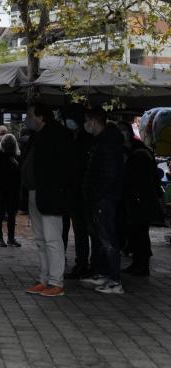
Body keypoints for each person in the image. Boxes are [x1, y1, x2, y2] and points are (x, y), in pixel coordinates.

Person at [20, 104, 69, 298]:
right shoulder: (38, 135)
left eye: (30, 115)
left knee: (52, 239)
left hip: (50, 193)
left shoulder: (56, 135)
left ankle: (56, 281)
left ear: (41, 117)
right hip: (37, 191)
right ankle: (45, 278)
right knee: (41, 239)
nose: (27, 119)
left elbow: (64, 166)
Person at [80, 107, 126, 295]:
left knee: (107, 239)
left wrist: (97, 195)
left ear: (94, 121)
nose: (85, 125)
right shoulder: (103, 141)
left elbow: (108, 174)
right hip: (102, 198)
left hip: (104, 199)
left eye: (87, 121)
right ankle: (103, 273)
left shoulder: (106, 143)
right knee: (101, 238)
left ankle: (114, 279)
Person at [117, 121, 163, 277]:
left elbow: (146, 179)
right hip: (131, 198)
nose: (122, 133)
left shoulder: (139, 151)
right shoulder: (126, 150)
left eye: (124, 130)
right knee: (135, 232)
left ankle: (142, 264)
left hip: (140, 198)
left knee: (140, 232)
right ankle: (137, 262)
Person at [61, 104, 93, 279]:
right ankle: (67, 258)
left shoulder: (85, 140)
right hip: (70, 189)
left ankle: (82, 262)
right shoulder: (72, 137)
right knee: (68, 227)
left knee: (81, 228)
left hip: (80, 191)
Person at [0, 133, 22, 247]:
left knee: (1, 214)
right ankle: (10, 238)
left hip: (2, 189)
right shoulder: (15, 156)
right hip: (10, 189)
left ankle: (1, 238)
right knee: (10, 215)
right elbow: (19, 174)